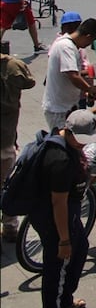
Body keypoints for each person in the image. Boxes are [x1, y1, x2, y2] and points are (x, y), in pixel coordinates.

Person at [29, 109, 96, 308]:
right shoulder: (60, 160)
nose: (83, 144)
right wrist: (64, 240)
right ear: (68, 131)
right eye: (80, 139)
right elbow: (58, 202)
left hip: (64, 212)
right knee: (57, 267)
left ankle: (65, 301)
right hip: (55, 218)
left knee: (80, 249)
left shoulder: (63, 142)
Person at [43, 18, 96, 131]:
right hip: (59, 109)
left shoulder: (71, 45)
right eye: (91, 41)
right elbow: (73, 76)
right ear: (87, 36)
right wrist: (89, 89)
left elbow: (74, 74)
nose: (88, 45)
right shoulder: (66, 46)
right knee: (63, 142)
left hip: (68, 105)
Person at [1, 52, 34, 242]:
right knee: (7, 186)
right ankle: (10, 228)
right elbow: (30, 82)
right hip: (6, 139)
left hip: (7, 139)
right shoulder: (14, 66)